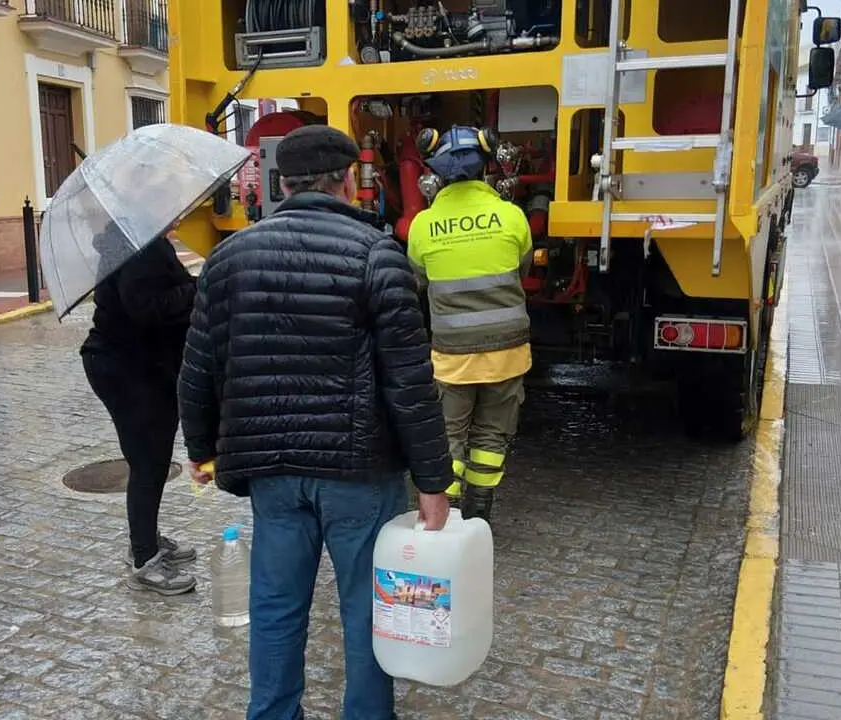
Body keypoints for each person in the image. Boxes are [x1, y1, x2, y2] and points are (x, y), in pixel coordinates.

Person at [179, 125, 453, 720]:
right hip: (359, 472)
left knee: (276, 607)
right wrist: (434, 482)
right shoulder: (378, 255)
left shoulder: (228, 258)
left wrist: (202, 451)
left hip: (272, 475)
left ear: (282, 182)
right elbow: (410, 382)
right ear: (349, 180)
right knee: (366, 610)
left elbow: (198, 369)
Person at [406, 125, 533, 522]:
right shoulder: (512, 217)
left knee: (449, 435)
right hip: (508, 353)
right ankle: (480, 511)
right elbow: (521, 268)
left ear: (438, 176)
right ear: (485, 169)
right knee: (492, 436)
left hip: (452, 355)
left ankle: (450, 512)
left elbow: (418, 280)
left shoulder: (423, 227)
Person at [81, 230, 198, 596]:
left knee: (154, 460)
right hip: (128, 369)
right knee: (148, 462)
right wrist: (200, 288)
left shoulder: (144, 241)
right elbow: (147, 308)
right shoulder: (136, 246)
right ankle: (144, 560)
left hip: (143, 366)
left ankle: (144, 540)